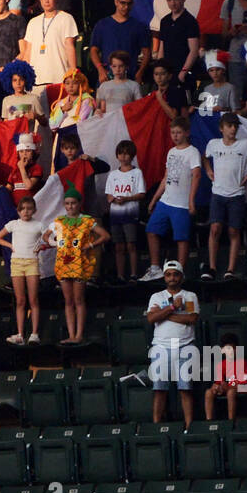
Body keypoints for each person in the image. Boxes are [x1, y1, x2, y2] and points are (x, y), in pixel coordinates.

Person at [202, 112, 247, 280]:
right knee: (215, 229)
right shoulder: (213, 144)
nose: (233, 129)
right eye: (229, 126)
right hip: (218, 193)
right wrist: (209, 170)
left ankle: (230, 270)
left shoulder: (245, 144)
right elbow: (205, 158)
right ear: (221, 128)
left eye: (235, 126)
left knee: (234, 230)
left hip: (237, 194)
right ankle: (211, 268)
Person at [45, 187, 110, 344]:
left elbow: (105, 235)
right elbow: (46, 235)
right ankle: (71, 335)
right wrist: (54, 242)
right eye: (67, 203)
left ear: (79, 204)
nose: (70, 206)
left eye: (73, 203)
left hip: (80, 264)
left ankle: (79, 335)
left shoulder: (87, 220)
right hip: (63, 264)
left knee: (79, 299)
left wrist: (89, 246)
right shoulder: (59, 221)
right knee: (68, 301)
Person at [142, 117, 203, 281]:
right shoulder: (171, 152)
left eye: (178, 132)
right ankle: (155, 268)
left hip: (181, 203)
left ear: (186, 133)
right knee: (151, 230)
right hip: (166, 201)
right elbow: (166, 177)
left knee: (181, 238)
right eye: (173, 132)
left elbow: (196, 176)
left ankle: (180, 271)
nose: (175, 136)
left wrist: (191, 201)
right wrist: (154, 199)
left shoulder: (192, 152)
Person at [146, 261, 200, 426]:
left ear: (181, 277)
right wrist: (171, 307)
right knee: (159, 389)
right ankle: (156, 425)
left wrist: (164, 314)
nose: (172, 278)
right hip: (161, 347)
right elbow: (151, 318)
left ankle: (189, 426)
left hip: (185, 345)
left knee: (185, 388)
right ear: (164, 277)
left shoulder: (190, 296)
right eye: (168, 274)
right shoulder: (157, 296)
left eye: (175, 274)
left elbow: (191, 318)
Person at [0, 195, 43, 345]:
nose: (26, 212)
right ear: (18, 210)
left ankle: (34, 334)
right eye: (23, 209)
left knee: (33, 299)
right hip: (16, 263)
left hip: (32, 263)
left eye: (29, 209)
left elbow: (51, 238)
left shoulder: (39, 225)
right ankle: (20, 334)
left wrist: (43, 245)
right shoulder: (14, 224)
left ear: (34, 210)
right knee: (20, 300)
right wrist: (10, 246)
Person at [21, 0, 79, 91]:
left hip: (60, 79)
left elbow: (70, 46)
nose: (46, 1)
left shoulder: (66, 18)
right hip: (36, 81)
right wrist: (23, 75)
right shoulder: (33, 22)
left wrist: (73, 72)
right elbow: (28, 52)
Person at [104, 140, 146, 282]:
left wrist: (126, 199)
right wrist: (114, 199)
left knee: (131, 244)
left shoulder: (137, 172)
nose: (124, 157)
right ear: (117, 156)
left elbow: (141, 194)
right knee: (118, 246)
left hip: (130, 213)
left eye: (127, 154)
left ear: (132, 156)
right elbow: (108, 194)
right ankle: (120, 275)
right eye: (121, 154)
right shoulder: (113, 174)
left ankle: (134, 274)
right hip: (115, 215)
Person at [90, 0, 150, 85]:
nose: (126, 7)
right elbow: (93, 50)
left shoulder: (139, 27)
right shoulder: (102, 25)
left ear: (133, 4)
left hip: (130, 78)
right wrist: (100, 69)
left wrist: (140, 73)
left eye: (129, 4)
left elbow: (147, 53)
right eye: (123, 3)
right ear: (116, 2)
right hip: (107, 78)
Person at [154, 0, 201, 90]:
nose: (173, 3)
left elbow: (193, 51)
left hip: (183, 73)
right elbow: (162, 48)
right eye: (169, 0)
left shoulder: (190, 21)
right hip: (167, 74)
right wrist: (159, 70)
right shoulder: (164, 21)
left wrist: (183, 73)